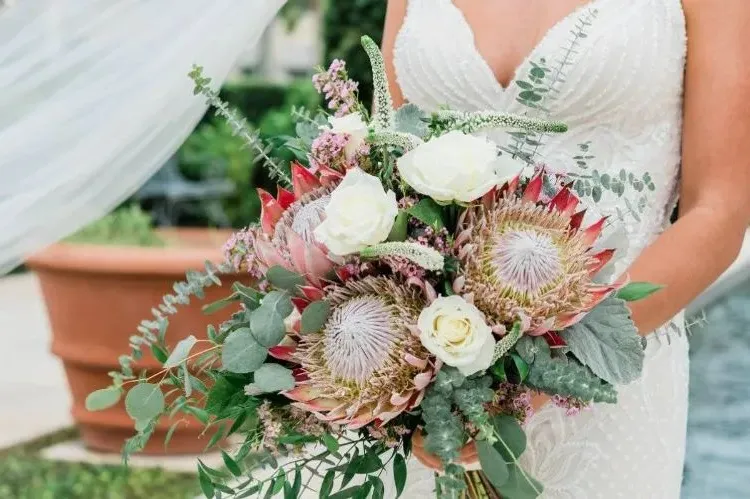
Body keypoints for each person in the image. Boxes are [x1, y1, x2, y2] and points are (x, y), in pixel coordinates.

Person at [380, 0, 750, 497]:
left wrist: (532, 377)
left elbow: (720, 211)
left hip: (610, 386)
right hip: (428, 394)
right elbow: (386, 159)